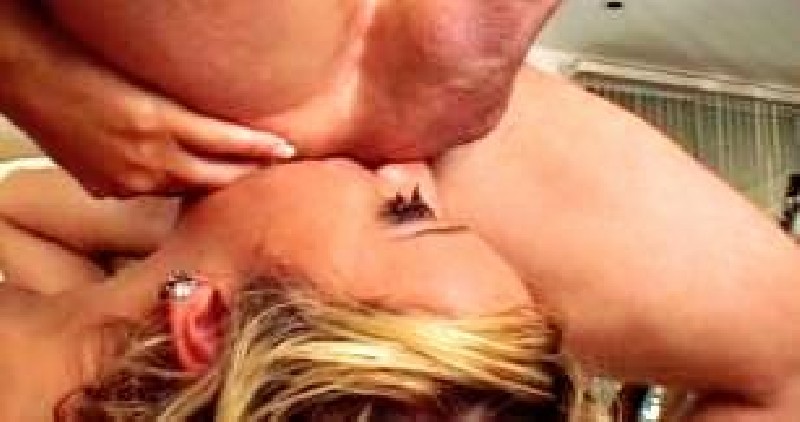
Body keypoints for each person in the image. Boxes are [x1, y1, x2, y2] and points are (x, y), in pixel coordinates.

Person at [0, 163, 583, 421]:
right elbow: (11, 208)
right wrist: (209, 237)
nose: (407, 169)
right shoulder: (99, 348)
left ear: (206, 326)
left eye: (404, 211)